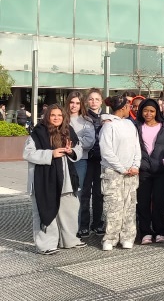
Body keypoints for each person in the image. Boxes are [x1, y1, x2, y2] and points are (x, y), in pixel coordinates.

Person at [24, 104, 86, 254]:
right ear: (47, 116)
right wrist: (50, 154)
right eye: (53, 115)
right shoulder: (38, 132)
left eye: (59, 115)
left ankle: (69, 240)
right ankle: (46, 245)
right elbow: (27, 153)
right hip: (44, 180)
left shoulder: (68, 130)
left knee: (70, 209)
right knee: (46, 210)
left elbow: (79, 148)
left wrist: (71, 151)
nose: (56, 118)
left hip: (67, 178)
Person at [98, 95, 141, 251]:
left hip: (131, 172)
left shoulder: (130, 124)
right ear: (123, 107)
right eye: (129, 106)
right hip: (113, 172)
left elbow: (137, 147)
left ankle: (128, 237)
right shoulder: (108, 125)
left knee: (130, 205)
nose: (130, 109)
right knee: (113, 206)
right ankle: (110, 238)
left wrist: (135, 165)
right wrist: (122, 168)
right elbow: (106, 151)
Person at [136, 98, 164, 245]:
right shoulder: (136, 126)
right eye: (145, 110)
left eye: (152, 111)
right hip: (143, 170)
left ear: (156, 112)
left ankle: (160, 232)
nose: (148, 114)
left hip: (161, 170)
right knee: (143, 202)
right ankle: (145, 232)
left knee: (159, 201)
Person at [66, 91, 96, 233]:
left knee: (77, 193)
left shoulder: (86, 121)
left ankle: (75, 230)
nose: (74, 105)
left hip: (80, 161)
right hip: (61, 160)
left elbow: (89, 142)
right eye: (72, 102)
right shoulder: (61, 118)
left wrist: (72, 145)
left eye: (77, 103)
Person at [79, 89, 105, 238]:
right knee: (84, 193)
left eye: (97, 99)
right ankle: (83, 224)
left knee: (99, 193)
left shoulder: (107, 118)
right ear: (87, 101)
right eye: (91, 99)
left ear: (101, 101)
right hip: (86, 159)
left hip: (101, 160)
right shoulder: (83, 117)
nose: (94, 102)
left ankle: (97, 223)